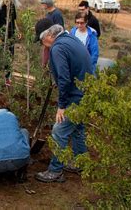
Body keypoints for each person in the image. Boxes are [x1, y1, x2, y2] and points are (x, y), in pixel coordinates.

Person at [35, 24, 93, 183]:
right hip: (87, 93)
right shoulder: (70, 40)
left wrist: (62, 106)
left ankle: (55, 171)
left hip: (76, 96)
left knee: (59, 131)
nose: (43, 46)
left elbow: (65, 78)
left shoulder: (58, 48)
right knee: (78, 128)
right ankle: (80, 163)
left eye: (42, 42)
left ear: (48, 36)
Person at [0, 0, 21, 85]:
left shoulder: (11, 7)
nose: (9, 2)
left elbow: (14, 20)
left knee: (10, 56)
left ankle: (8, 77)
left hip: (10, 35)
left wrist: (18, 30)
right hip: (1, 35)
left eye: (11, 1)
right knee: (0, 56)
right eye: (7, 0)